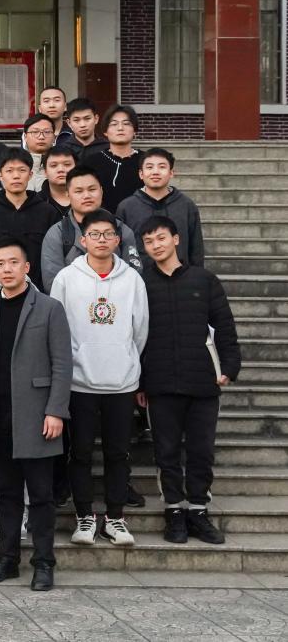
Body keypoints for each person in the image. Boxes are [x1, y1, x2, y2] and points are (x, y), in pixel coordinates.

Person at [0, 237, 72, 592]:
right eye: (0, 263)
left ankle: (44, 562)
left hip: (37, 415)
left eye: (13, 262)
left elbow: (62, 363)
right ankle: (7, 558)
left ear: (26, 267)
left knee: (42, 496)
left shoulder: (49, 308)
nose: (6, 270)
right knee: (7, 494)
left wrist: (56, 410)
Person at [49, 210, 149, 548]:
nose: (102, 240)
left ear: (118, 240)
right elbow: (57, 329)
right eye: (95, 234)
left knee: (118, 454)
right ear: (83, 240)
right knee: (79, 454)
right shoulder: (67, 278)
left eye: (108, 234)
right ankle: (84, 516)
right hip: (79, 382)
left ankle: (115, 518)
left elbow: (140, 329)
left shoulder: (132, 279)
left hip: (121, 382)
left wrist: (125, 359)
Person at [138, 216, 240, 545]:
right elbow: (133, 334)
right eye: (149, 241)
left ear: (176, 239)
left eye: (161, 238)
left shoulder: (204, 280)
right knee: (166, 452)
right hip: (160, 382)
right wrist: (139, 381)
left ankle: (198, 510)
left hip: (202, 382)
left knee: (201, 451)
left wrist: (229, 367)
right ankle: (174, 512)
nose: (156, 245)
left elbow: (224, 326)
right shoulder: (141, 284)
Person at [40, 166, 143, 291]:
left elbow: (134, 278)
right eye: (79, 191)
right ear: (68, 194)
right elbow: (53, 284)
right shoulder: (58, 234)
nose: (87, 196)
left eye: (92, 189)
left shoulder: (121, 231)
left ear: (101, 191)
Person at [0, 147, 61, 287]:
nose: (16, 176)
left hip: (38, 289)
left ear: (30, 175)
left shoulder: (47, 211)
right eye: (9, 171)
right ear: (0, 175)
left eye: (22, 170)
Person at [116, 147, 205, 267]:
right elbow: (119, 247)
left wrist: (197, 274)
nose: (155, 172)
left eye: (162, 167)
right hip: (139, 275)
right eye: (149, 167)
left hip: (180, 274)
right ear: (141, 174)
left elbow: (196, 248)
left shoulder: (186, 205)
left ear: (171, 173)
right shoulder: (127, 207)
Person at [85, 105, 142, 212]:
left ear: (135, 130)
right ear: (105, 131)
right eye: (114, 124)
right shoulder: (91, 162)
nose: (120, 128)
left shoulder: (146, 161)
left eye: (126, 123)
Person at [21, 114, 55, 190]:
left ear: (54, 137)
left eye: (47, 132)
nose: (41, 137)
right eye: (35, 132)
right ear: (25, 137)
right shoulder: (16, 164)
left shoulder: (62, 165)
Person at [41, 145, 77, 213]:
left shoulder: (89, 200)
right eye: (54, 165)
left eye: (67, 164)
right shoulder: (35, 203)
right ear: (45, 172)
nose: (61, 169)